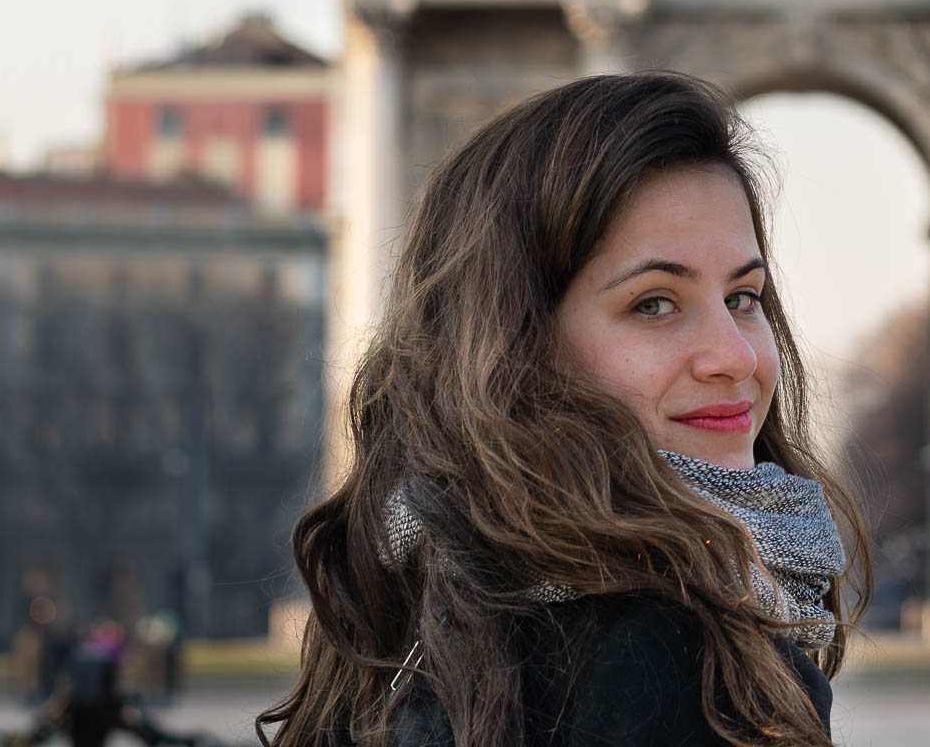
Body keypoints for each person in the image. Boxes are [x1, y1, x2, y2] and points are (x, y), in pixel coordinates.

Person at [258, 74, 870, 747]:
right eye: (654, 303)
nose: (733, 356)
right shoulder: (679, 668)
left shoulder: (409, 623)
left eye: (743, 296)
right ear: (514, 350)